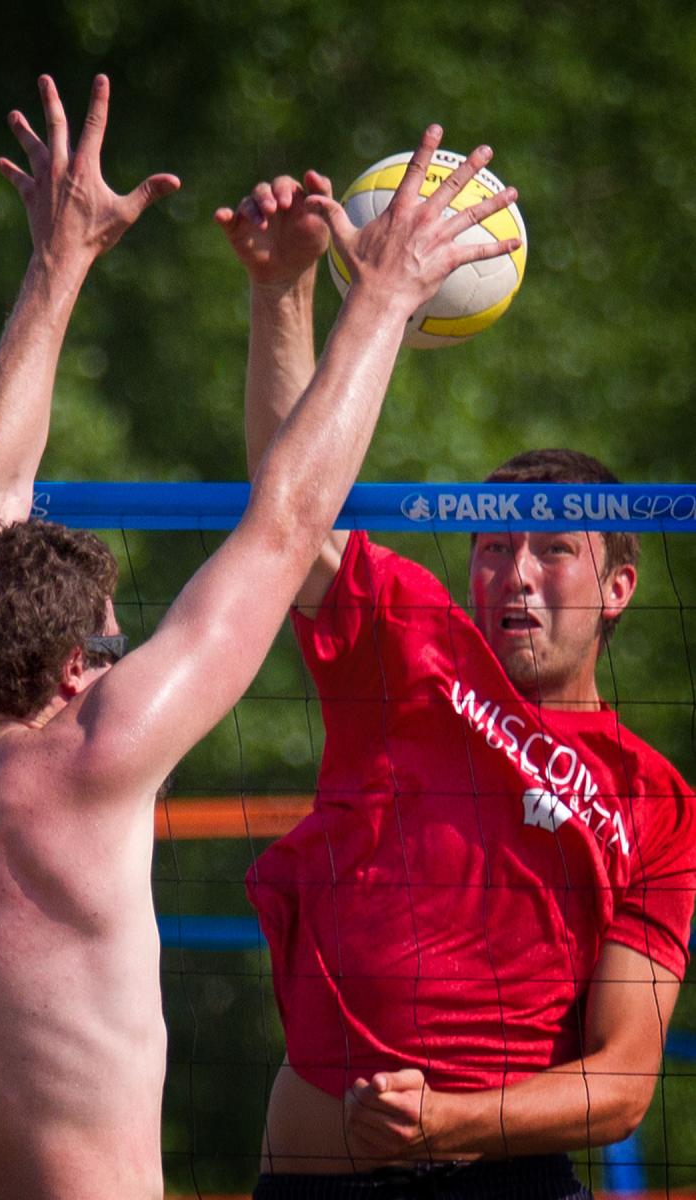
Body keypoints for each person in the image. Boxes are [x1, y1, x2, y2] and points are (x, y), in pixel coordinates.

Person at [0, 73, 520, 1200]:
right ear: (68, 675)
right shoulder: (85, 765)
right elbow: (287, 521)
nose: (117, 663)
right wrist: (383, 295)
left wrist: (59, 264)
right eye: (109, 649)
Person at [218, 170, 696, 1199]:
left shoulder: (655, 799)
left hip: (503, 1176)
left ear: (618, 587)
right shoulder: (409, 642)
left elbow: (618, 1084)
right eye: (488, 547)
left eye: (550, 550)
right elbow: (286, 514)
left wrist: (447, 1123)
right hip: (315, 1177)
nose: (511, 573)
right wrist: (281, 292)